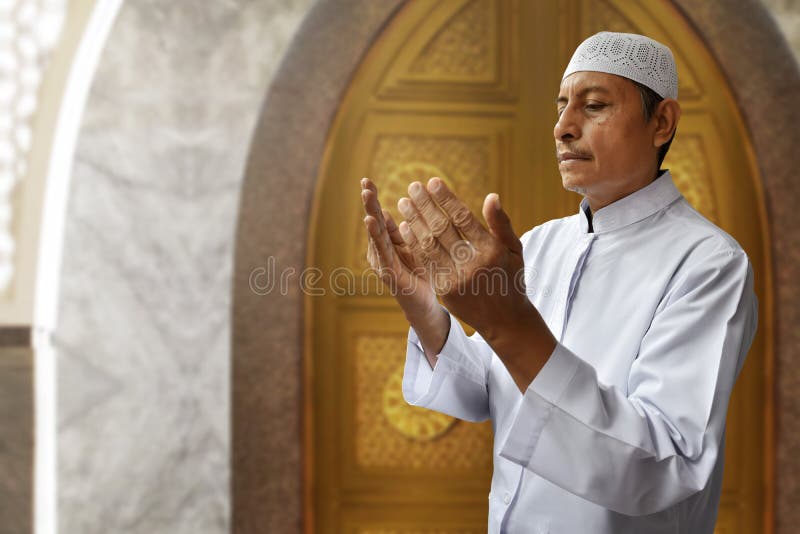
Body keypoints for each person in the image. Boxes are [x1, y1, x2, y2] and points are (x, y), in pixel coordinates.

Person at [360, 31, 757, 534]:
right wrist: (421, 304)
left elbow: (662, 465)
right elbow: (484, 390)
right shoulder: (543, 243)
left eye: (593, 106)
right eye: (562, 106)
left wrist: (511, 324)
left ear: (661, 123)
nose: (563, 128)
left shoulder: (709, 264)